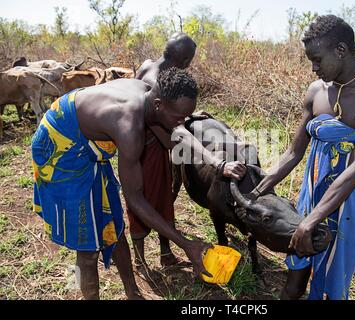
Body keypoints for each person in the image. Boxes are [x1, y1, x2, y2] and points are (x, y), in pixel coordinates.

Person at [31, 67, 246, 300]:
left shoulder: (149, 94)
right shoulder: (129, 127)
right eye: (178, 117)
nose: (182, 122)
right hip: (61, 149)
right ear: (158, 106)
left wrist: (217, 163)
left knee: (112, 225)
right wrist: (186, 244)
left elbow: (178, 132)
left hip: (88, 144)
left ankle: (132, 292)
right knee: (88, 246)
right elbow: (135, 199)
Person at [248, 15, 355, 300]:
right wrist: (255, 191)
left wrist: (312, 220)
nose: (313, 68)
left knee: (333, 275)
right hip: (312, 189)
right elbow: (293, 152)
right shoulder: (317, 91)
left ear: (341, 50)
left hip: (350, 198)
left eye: (317, 59)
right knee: (297, 269)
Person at [127, 33, 197, 269]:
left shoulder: (148, 64)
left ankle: (164, 254)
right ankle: (141, 261)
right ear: (185, 61)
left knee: (161, 198)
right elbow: (167, 138)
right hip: (146, 147)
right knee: (149, 201)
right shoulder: (158, 80)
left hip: (143, 141)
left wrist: (187, 118)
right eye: (189, 61)